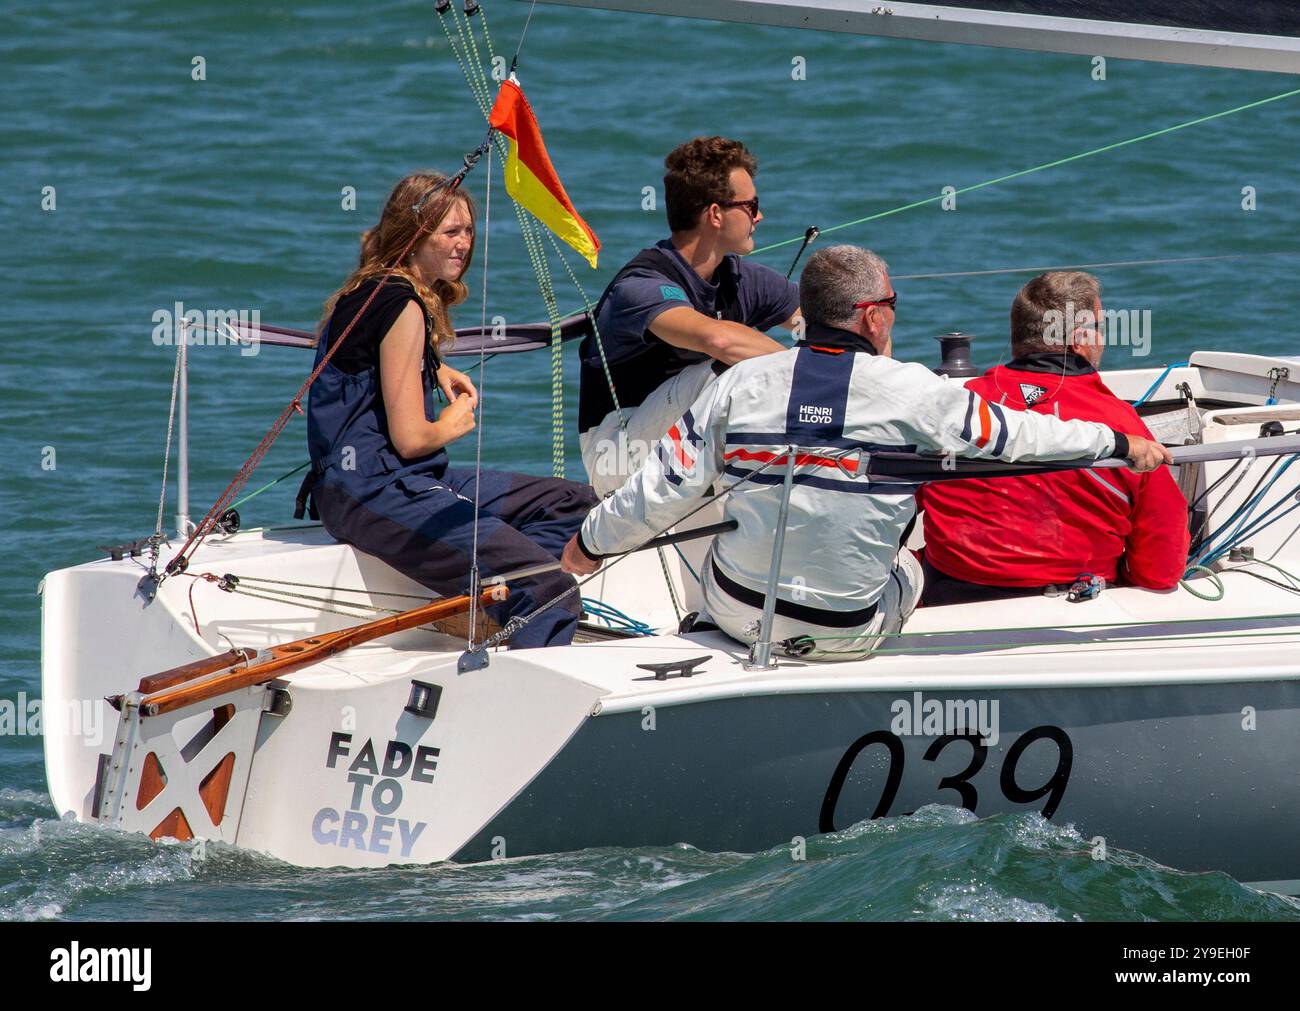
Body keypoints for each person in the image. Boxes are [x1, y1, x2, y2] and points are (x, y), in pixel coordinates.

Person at [559, 247, 1171, 660]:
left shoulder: (740, 384)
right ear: (873, 317)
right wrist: (1118, 443)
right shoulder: (912, 390)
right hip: (849, 631)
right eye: (893, 306)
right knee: (912, 558)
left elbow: (660, 489)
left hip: (741, 617)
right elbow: (1023, 438)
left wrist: (589, 546)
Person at [300, 171, 599, 648]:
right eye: (450, 232)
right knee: (550, 588)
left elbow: (369, 363)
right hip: (374, 492)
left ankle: (497, 602)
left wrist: (432, 365)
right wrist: (450, 424)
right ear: (415, 236)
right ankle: (524, 633)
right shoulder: (404, 307)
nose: (464, 244)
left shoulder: (373, 290)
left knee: (574, 504)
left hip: (397, 480)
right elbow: (412, 439)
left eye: (468, 231)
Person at [917, 271, 1189, 605]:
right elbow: (1162, 566)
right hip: (1074, 604)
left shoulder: (957, 407)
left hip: (948, 597)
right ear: (1079, 340)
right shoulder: (1122, 424)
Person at [577, 136, 802, 496]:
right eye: (751, 205)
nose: (759, 216)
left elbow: (826, 324)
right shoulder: (641, 286)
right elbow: (718, 339)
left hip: (688, 445)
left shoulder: (741, 278)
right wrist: (813, 373)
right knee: (729, 366)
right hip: (617, 456)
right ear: (715, 214)